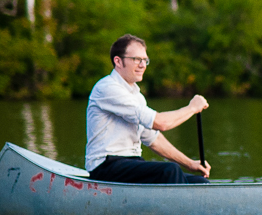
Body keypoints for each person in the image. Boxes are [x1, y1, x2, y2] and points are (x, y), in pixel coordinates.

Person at [85, 34, 212, 184]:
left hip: (132, 164)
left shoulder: (137, 96)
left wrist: (190, 163)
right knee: (170, 170)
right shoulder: (107, 88)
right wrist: (192, 108)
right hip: (105, 166)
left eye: (145, 60)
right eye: (136, 59)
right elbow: (161, 123)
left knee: (199, 182)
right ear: (118, 61)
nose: (143, 65)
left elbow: (153, 139)